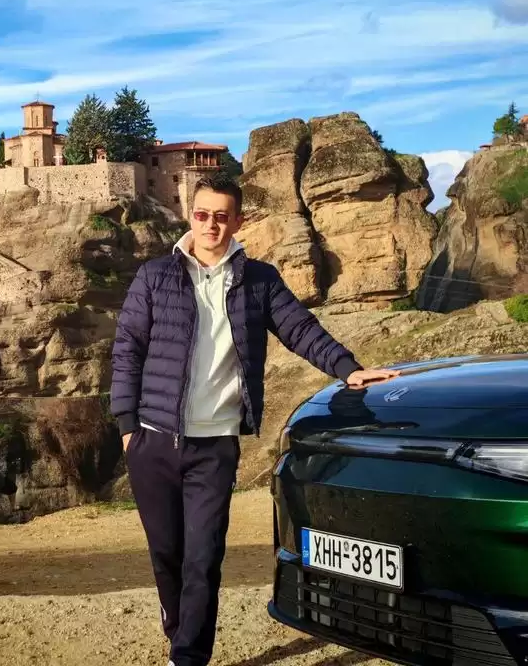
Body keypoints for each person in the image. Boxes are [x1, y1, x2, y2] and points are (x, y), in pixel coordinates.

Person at [110, 173, 399, 666]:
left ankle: (188, 656)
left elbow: (301, 329)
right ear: (190, 216)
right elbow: (127, 351)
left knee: (204, 557)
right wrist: (126, 426)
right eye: (203, 214)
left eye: (222, 216)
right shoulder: (154, 275)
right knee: (167, 555)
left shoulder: (259, 280)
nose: (211, 225)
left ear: (238, 221)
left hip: (215, 446)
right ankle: (177, 626)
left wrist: (349, 369)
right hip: (152, 441)